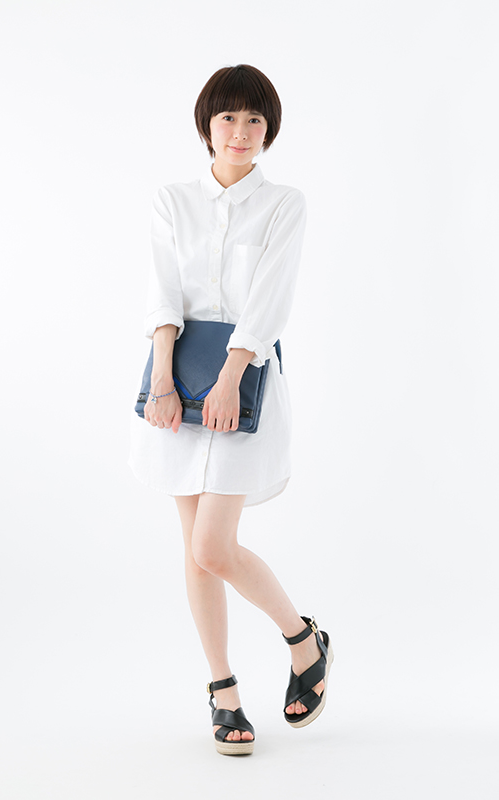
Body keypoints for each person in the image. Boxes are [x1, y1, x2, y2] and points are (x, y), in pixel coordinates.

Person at [128, 64, 333, 756]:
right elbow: (162, 293)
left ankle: (302, 639)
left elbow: (270, 298)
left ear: (268, 129)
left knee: (213, 547)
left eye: (253, 120)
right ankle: (223, 692)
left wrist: (229, 375)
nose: (240, 131)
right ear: (206, 126)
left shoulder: (283, 204)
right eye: (227, 118)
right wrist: (161, 378)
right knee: (195, 552)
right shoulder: (172, 200)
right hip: (175, 388)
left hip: (241, 388)